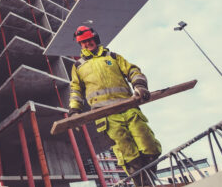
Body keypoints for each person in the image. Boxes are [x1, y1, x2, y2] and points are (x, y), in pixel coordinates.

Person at [68, 25, 161, 177]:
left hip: (128, 107)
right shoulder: (78, 66)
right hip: (106, 116)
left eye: (89, 40)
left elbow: (133, 70)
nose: (87, 44)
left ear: (95, 39)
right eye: (83, 42)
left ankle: (152, 178)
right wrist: (74, 111)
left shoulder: (112, 56)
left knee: (148, 145)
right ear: (80, 45)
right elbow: (76, 90)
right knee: (128, 153)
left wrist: (140, 85)